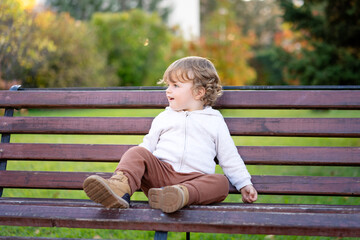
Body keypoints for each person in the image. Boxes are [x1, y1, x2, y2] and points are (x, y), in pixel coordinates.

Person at [83, 56, 258, 213]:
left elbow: (229, 157)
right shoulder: (164, 117)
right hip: (161, 175)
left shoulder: (214, 120)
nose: (168, 90)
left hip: (195, 179)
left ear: (199, 92)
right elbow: (148, 147)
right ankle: (119, 189)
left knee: (220, 183)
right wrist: (135, 165)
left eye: (175, 85)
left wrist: (244, 183)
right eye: (168, 85)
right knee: (137, 152)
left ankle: (179, 196)